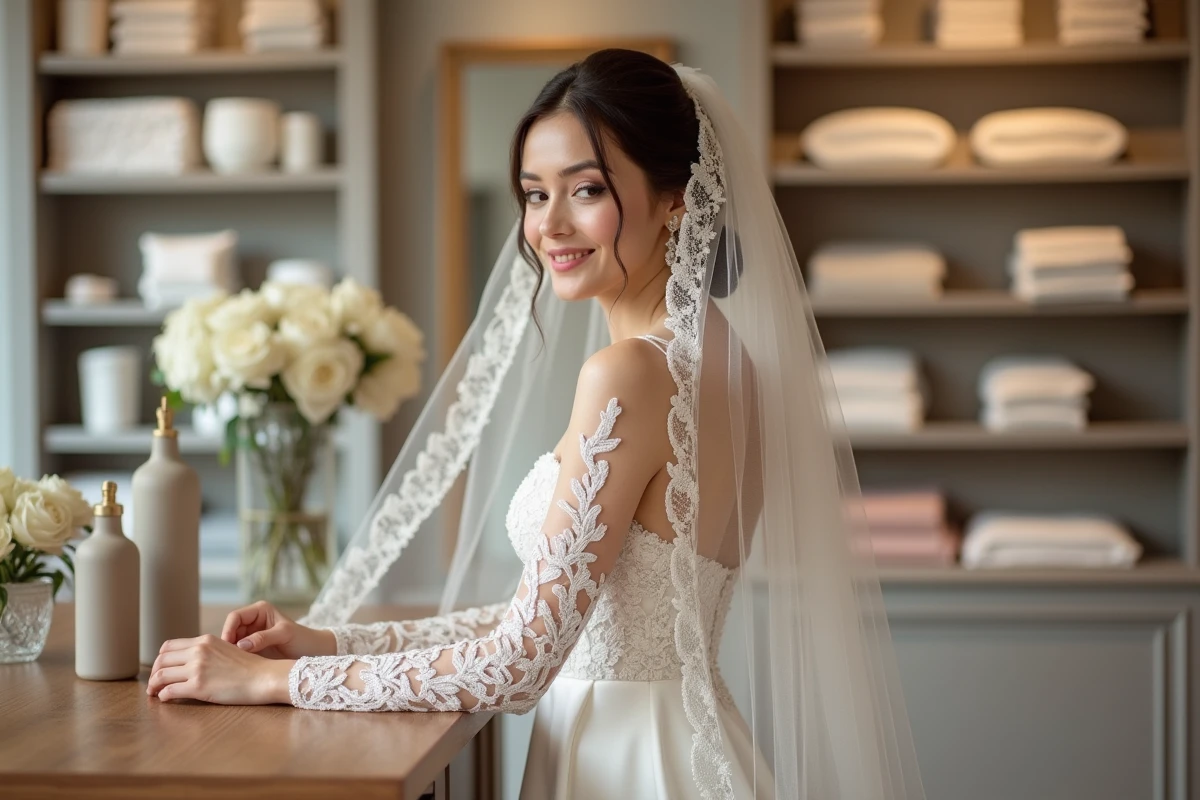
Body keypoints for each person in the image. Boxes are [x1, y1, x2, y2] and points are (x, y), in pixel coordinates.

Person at [147, 49, 926, 799]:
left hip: (627, 764)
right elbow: (573, 619)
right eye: (533, 192)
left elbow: (519, 664)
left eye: (584, 189)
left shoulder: (630, 373)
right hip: (681, 743)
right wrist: (328, 642)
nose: (549, 225)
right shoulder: (729, 359)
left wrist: (271, 681)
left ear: (676, 197)